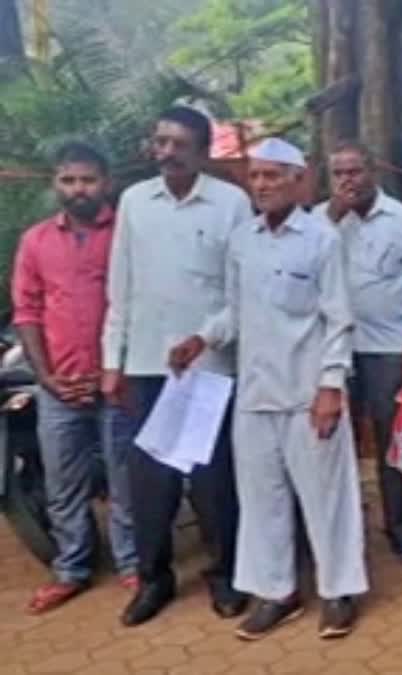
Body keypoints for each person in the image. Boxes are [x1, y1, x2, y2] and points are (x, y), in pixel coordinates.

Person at [170, 138, 368, 640]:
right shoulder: (243, 240)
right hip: (255, 393)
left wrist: (331, 387)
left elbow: (339, 318)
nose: (261, 185)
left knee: (327, 497)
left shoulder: (321, 238)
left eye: (272, 175)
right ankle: (277, 592)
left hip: (308, 395)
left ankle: (338, 591)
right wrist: (202, 338)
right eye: (255, 176)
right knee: (262, 500)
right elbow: (234, 311)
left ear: (297, 180)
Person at [102, 105, 251, 626]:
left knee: (213, 483)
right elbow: (120, 288)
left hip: (209, 367)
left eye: (178, 145)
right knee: (151, 482)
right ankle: (153, 581)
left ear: (203, 153)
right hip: (147, 365)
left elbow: (240, 292)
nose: (165, 153)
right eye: (160, 142)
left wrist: (204, 337)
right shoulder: (135, 202)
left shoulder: (231, 203)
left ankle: (226, 577)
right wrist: (111, 362)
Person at [14, 143, 138, 614]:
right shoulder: (36, 241)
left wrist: (117, 369)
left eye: (87, 180)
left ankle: (132, 562)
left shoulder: (127, 234)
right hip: (59, 387)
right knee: (64, 483)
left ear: (106, 182)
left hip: (115, 381)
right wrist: (46, 377)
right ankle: (71, 569)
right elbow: (28, 312)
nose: (78, 189)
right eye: (68, 180)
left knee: (124, 477)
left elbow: (140, 302)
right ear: (55, 184)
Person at [312, 140, 402, 562]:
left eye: (354, 171)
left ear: (372, 171)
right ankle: (344, 531)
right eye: (339, 173)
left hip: (387, 351)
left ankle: (399, 527)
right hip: (333, 352)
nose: (347, 180)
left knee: (392, 443)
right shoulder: (318, 223)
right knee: (331, 442)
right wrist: (333, 217)